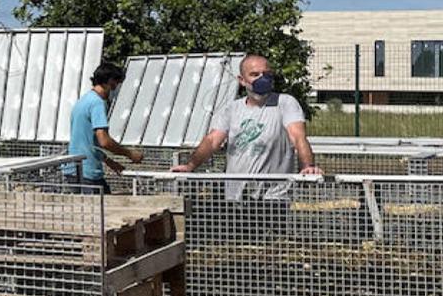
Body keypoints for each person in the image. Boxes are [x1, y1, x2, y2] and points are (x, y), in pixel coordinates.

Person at [171, 54, 321, 200]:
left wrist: (307, 166)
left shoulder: (285, 103)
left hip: (273, 197)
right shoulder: (232, 108)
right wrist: (190, 165)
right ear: (242, 80)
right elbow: (212, 141)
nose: (262, 78)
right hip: (235, 196)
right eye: (255, 74)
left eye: (266, 74)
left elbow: (298, 137)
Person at [66, 62, 140, 192]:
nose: (116, 89)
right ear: (110, 82)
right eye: (117, 84)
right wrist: (130, 153)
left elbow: (87, 142)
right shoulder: (97, 103)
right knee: (101, 209)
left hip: (73, 169)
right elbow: (104, 141)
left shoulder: (84, 100)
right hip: (88, 172)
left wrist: (108, 161)